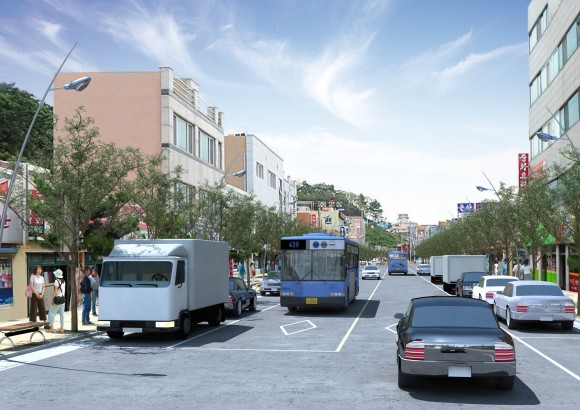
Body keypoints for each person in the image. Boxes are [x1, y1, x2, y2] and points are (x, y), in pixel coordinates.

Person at [48, 269, 66, 333]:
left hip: (57, 300)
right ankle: (62, 328)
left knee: (51, 313)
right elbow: (64, 292)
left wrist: (52, 299)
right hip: (62, 299)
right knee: (62, 315)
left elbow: (55, 291)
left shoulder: (56, 281)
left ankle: (51, 328)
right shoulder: (63, 281)